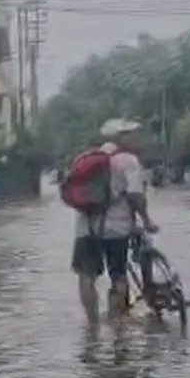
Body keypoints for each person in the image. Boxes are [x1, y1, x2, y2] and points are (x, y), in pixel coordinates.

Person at [70, 118, 158, 325]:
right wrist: (146, 221)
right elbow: (135, 196)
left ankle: (92, 327)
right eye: (131, 133)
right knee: (118, 274)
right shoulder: (128, 160)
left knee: (86, 276)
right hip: (116, 228)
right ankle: (118, 324)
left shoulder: (85, 158)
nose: (136, 138)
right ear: (120, 137)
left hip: (86, 228)